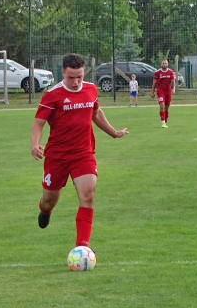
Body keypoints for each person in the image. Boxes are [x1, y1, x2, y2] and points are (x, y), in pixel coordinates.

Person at [30, 53, 128, 250]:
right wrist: (35, 144)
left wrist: (114, 133)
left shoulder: (91, 89)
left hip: (83, 153)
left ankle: (82, 247)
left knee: (88, 194)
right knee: (49, 200)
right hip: (57, 156)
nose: (75, 82)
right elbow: (38, 123)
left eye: (80, 77)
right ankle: (45, 210)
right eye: (71, 77)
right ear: (63, 73)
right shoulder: (52, 95)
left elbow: (96, 112)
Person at [150, 59, 176, 128]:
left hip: (168, 91)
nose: (164, 65)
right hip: (160, 91)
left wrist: (173, 88)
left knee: (166, 108)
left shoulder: (171, 72)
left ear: (168, 64)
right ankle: (163, 122)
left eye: (166, 63)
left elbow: (173, 81)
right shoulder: (157, 72)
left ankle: (165, 119)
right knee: (162, 106)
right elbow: (154, 83)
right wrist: (152, 92)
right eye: (163, 63)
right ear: (161, 64)